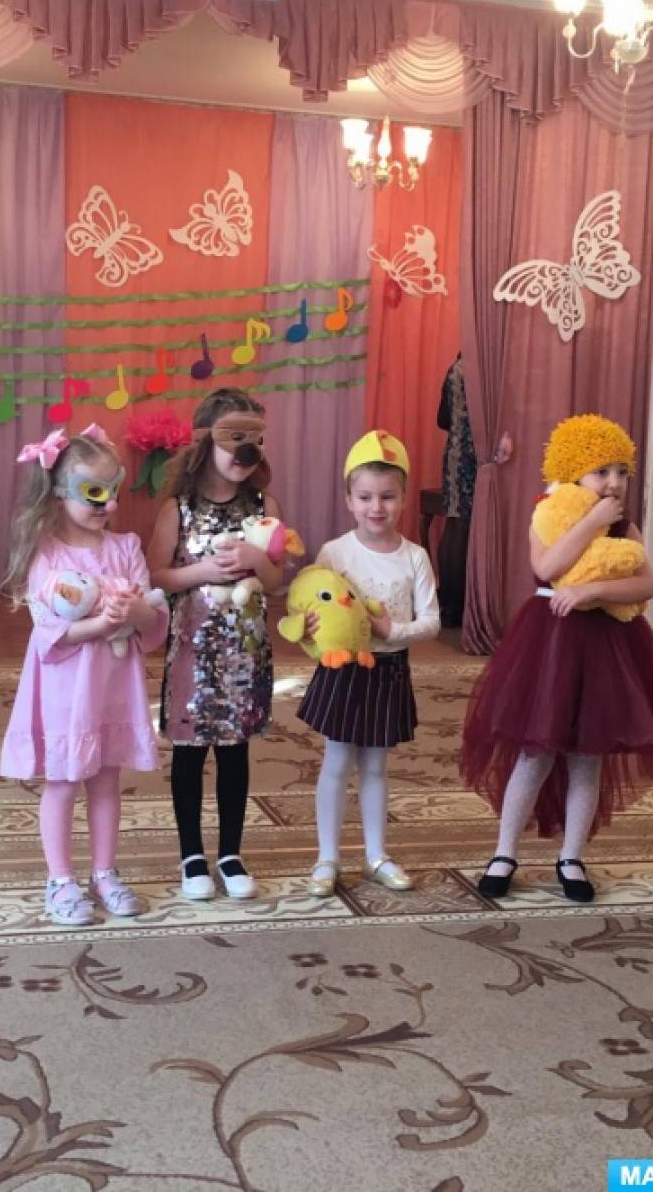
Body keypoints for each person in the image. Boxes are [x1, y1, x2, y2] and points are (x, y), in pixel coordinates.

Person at [459, 414, 653, 903]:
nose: (614, 482)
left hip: (606, 648)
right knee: (535, 751)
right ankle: (504, 852)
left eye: (622, 471)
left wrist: (594, 589)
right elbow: (547, 565)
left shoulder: (627, 526)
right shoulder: (547, 514)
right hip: (551, 645)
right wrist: (591, 523)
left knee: (588, 756)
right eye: (601, 471)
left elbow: (645, 584)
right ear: (572, 473)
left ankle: (572, 856)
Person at [1, 423, 168, 925]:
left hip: (112, 688)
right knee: (62, 781)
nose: (108, 504)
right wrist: (102, 623)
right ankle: (60, 879)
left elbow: (152, 617)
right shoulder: (47, 553)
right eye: (94, 493)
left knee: (106, 779)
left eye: (113, 490)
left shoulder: (125, 548)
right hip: (65, 690)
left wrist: (133, 611)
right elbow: (51, 631)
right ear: (60, 491)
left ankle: (104, 872)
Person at [148, 388, 284, 902]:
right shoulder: (178, 509)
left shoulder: (264, 507)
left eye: (256, 439)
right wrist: (202, 571)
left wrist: (256, 557)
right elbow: (156, 575)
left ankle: (230, 853)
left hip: (244, 654)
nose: (246, 451)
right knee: (189, 754)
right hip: (192, 653)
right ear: (206, 441)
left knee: (234, 752)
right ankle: (191, 854)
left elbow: (276, 582)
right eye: (234, 438)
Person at [297, 430, 440, 897]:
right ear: (349, 500)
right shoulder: (335, 553)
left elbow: (432, 622)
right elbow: (309, 606)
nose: (376, 507)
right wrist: (311, 629)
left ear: (403, 498)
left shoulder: (415, 557)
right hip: (342, 670)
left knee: (376, 767)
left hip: (389, 670)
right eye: (364, 497)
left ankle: (377, 855)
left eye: (387, 496)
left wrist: (391, 631)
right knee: (337, 761)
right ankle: (327, 857)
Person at [436, 354, 476, 628]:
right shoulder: (481, 367)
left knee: (454, 526)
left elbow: (442, 419)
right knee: (462, 530)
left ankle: (449, 604)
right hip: (474, 456)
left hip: (455, 454)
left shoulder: (455, 368)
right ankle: (457, 605)